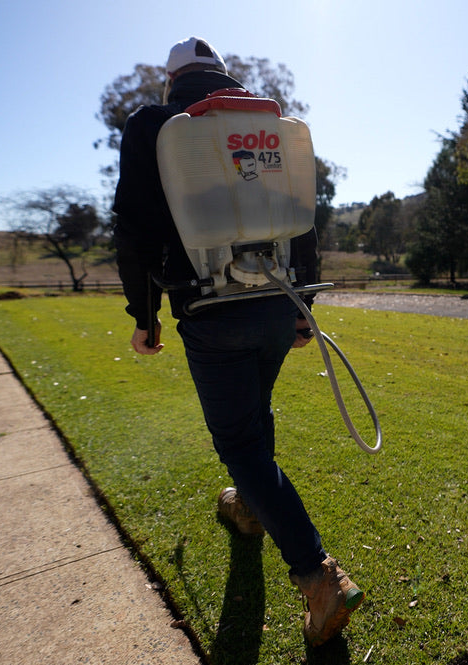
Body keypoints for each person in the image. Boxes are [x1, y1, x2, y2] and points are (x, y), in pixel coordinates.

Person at [111, 36, 363, 647]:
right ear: (223, 75)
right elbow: (304, 223)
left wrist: (144, 316)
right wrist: (302, 309)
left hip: (211, 309)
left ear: (172, 82)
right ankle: (249, 509)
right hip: (276, 305)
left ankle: (318, 575)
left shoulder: (154, 124)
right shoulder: (266, 124)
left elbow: (134, 229)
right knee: (254, 416)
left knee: (239, 444)